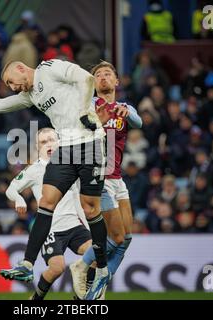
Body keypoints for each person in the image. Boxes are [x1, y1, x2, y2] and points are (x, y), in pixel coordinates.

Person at [0, 59, 125, 299]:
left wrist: (83, 113)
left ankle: (100, 269)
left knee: (91, 209)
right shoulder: (31, 94)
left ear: (21, 69)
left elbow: (86, 79)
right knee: (46, 202)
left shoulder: (50, 68)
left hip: (89, 142)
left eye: (11, 82)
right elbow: (0, 105)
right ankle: (26, 265)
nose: (12, 87)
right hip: (65, 147)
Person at [69, 61, 143, 299]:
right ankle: (82, 265)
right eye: (98, 75)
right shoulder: (88, 105)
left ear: (116, 81)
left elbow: (139, 123)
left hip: (117, 178)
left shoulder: (123, 107)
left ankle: (97, 289)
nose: (103, 77)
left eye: (107, 74)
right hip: (97, 177)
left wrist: (127, 111)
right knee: (116, 237)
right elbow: (78, 131)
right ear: (93, 82)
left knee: (126, 239)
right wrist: (95, 121)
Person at [5, 128, 91, 300]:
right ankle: (36, 299)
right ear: (38, 147)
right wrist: (18, 199)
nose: (49, 144)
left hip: (74, 225)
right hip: (50, 229)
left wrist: (88, 225)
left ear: (59, 141)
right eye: (44, 142)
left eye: (52, 139)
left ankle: (82, 296)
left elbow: (78, 199)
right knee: (57, 268)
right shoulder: (35, 169)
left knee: (96, 253)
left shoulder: (72, 165)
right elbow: (11, 189)